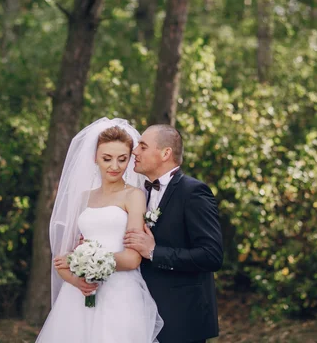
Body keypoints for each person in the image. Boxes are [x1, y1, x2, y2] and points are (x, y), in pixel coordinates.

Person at [35, 118, 163, 343]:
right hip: (78, 297)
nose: (114, 166)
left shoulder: (134, 196)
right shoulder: (83, 197)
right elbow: (62, 261)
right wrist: (78, 281)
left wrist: (86, 260)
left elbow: (132, 259)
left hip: (120, 294)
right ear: (95, 157)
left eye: (122, 159)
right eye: (107, 158)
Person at [124, 124, 223, 343]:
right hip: (139, 315)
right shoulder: (137, 193)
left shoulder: (194, 192)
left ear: (165, 153)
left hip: (181, 320)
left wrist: (154, 252)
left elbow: (211, 255)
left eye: (142, 146)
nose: (135, 151)